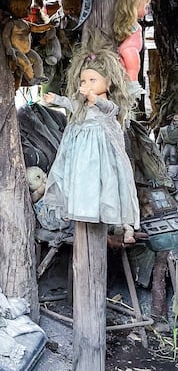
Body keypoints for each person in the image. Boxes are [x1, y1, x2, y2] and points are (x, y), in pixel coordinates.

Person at [40, 39, 138, 243]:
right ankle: (82, 206)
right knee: (81, 181)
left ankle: (111, 218)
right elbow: (71, 103)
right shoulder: (82, 107)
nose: (86, 85)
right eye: (83, 81)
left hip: (99, 153)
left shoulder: (107, 105)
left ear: (108, 81)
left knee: (102, 183)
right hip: (81, 153)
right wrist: (55, 100)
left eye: (93, 80)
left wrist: (93, 97)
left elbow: (108, 108)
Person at [113, 0, 151, 84]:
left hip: (130, 49)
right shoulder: (131, 24)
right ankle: (132, 84)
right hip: (130, 49)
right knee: (133, 67)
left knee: (132, 67)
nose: (147, 10)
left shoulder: (130, 22)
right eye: (145, 7)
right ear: (134, 7)